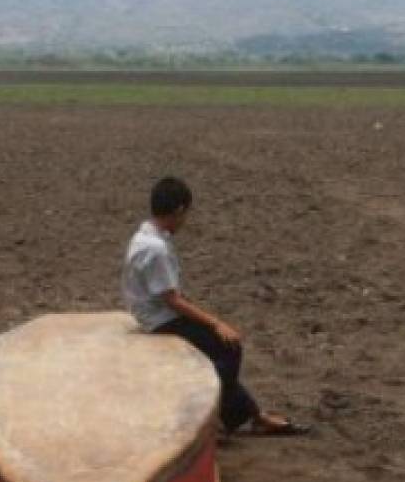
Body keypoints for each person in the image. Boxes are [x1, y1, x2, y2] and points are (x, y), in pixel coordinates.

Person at [121, 176, 303, 436]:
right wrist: (215, 322)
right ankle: (209, 414)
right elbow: (172, 300)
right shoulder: (156, 249)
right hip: (158, 319)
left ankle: (253, 415)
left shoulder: (144, 235)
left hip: (150, 311)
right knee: (229, 347)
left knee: (219, 353)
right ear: (180, 210)